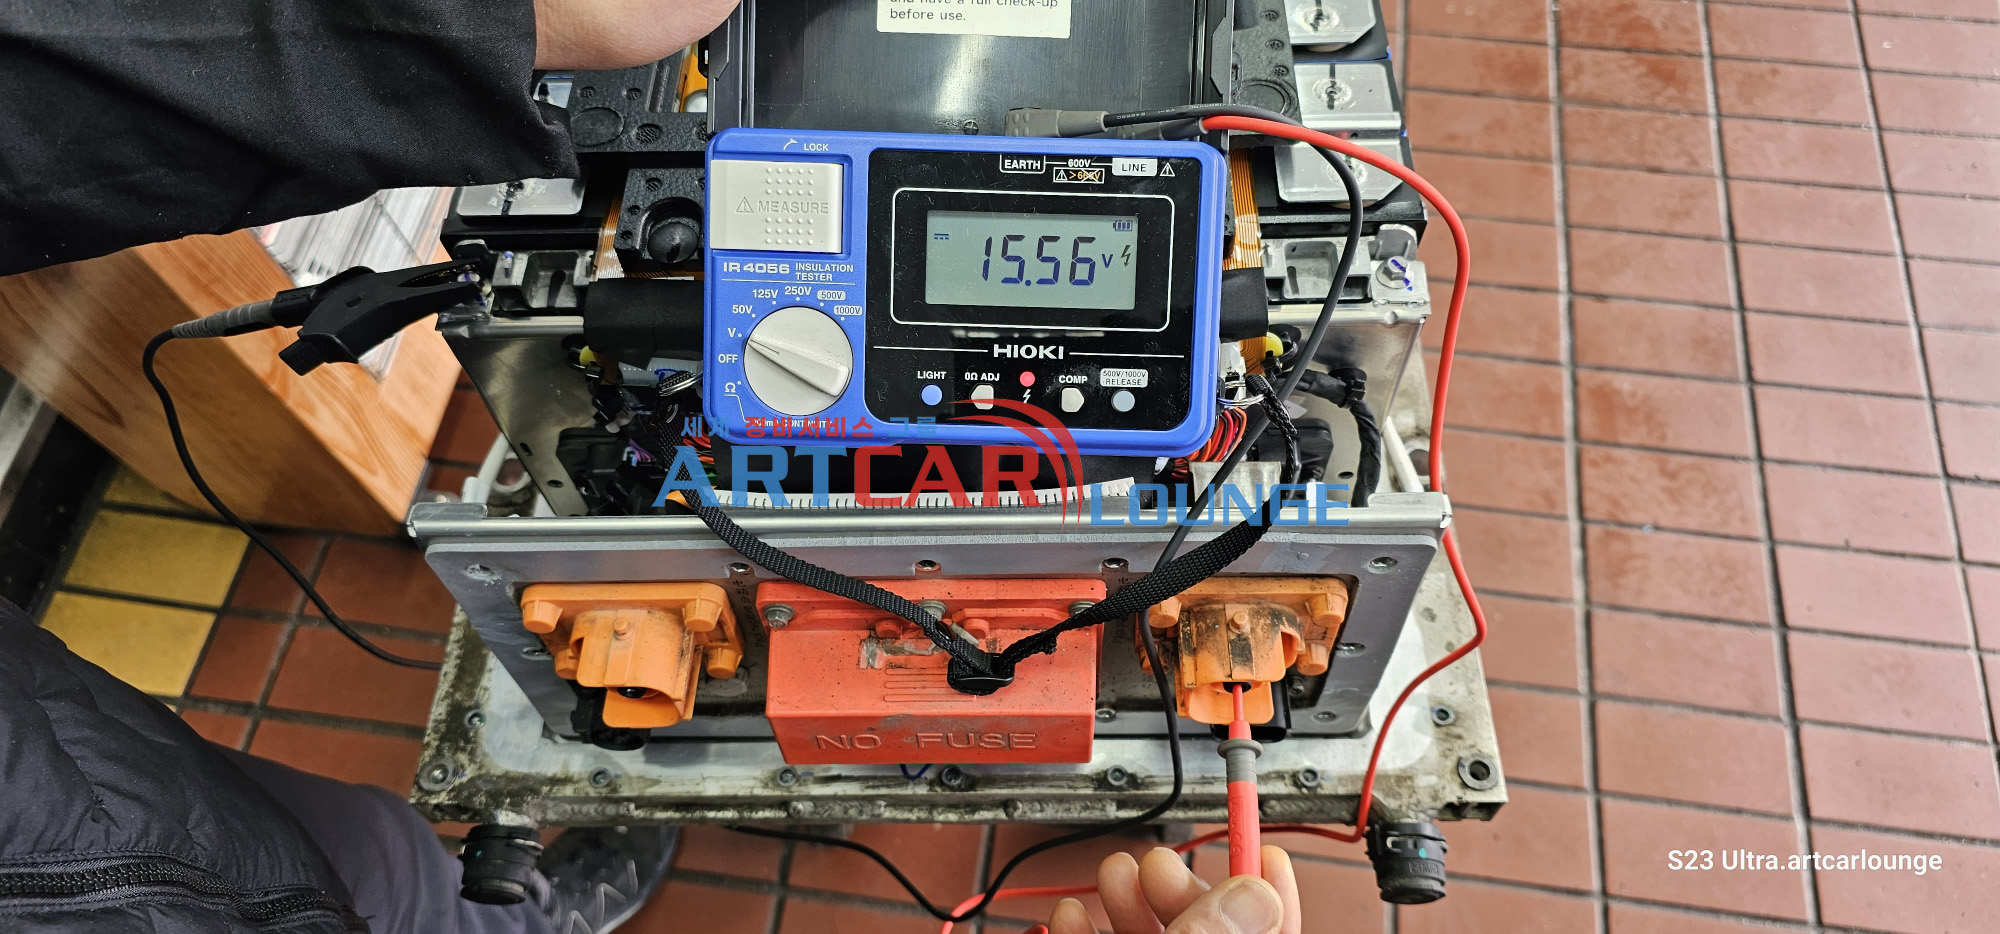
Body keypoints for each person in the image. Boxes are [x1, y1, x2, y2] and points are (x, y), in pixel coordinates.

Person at [0, 1, 1301, 932]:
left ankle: (505, 910)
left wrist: (484, 21)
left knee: (379, 864)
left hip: (151, 814)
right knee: (364, 868)